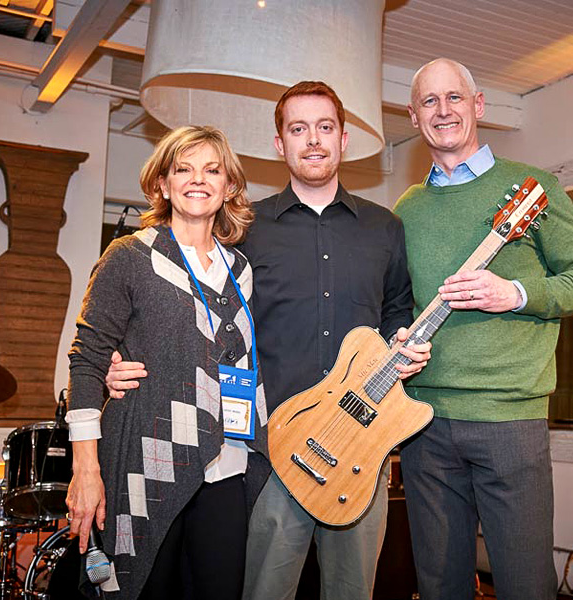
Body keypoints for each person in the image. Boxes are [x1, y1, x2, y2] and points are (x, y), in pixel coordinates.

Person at [104, 81, 432, 600]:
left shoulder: (384, 228)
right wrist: (116, 362)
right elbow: (190, 309)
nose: (313, 140)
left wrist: (404, 347)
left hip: (361, 448)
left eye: (325, 128)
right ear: (280, 144)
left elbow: (396, 314)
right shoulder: (245, 231)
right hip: (272, 451)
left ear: (344, 139)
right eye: (298, 129)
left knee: (353, 591)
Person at [393, 58, 573, 600]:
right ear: (414, 117)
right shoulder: (406, 209)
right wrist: (396, 337)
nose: (443, 111)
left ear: (479, 105)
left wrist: (514, 294)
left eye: (454, 98)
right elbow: (401, 306)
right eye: (429, 101)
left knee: (525, 584)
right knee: (439, 585)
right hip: (422, 424)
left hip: (509, 421)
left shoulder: (533, 186)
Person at [66, 126, 269, 600]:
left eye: (212, 170)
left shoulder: (241, 269)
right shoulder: (130, 256)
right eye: (183, 169)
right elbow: (87, 360)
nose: (198, 180)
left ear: (229, 187)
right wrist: (86, 470)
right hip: (147, 460)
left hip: (225, 466)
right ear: (162, 184)